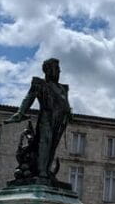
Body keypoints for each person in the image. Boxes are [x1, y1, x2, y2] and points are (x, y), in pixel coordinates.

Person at [5, 58, 72, 187]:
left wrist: (69, 113)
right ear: (48, 70)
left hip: (59, 122)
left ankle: (46, 170)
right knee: (45, 143)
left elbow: (66, 104)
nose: (59, 71)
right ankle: (42, 172)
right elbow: (28, 98)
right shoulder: (39, 84)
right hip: (46, 118)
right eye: (56, 69)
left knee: (52, 146)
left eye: (59, 69)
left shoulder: (63, 88)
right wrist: (20, 113)